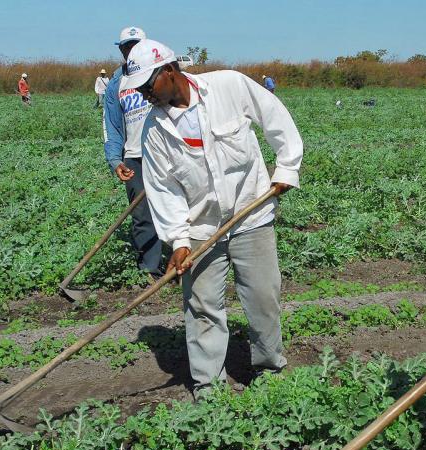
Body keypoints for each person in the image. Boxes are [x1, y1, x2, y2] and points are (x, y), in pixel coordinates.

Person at [124, 38, 303, 400]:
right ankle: (209, 387)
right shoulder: (154, 131)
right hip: (200, 226)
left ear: (170, 71)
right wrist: (179, 241)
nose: (144, 95)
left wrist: (286, 165)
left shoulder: (228, 86)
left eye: (148, 85)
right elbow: (164, 190)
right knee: (202, 306)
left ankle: (269, 369)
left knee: (263, 297)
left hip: (250, 212)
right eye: (139, 88)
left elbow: (274, 117)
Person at [102, 26, 164, 281]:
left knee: (178, 206)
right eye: (126, 47)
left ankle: (186, 261)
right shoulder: (116, 83)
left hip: (164, 152)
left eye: (135, 45)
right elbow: (112, 125)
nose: (130, 50)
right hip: (134, 156)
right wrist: (115, 159)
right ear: (121, 50)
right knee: (141, 215)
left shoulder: (160, 73)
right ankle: (150, 268)